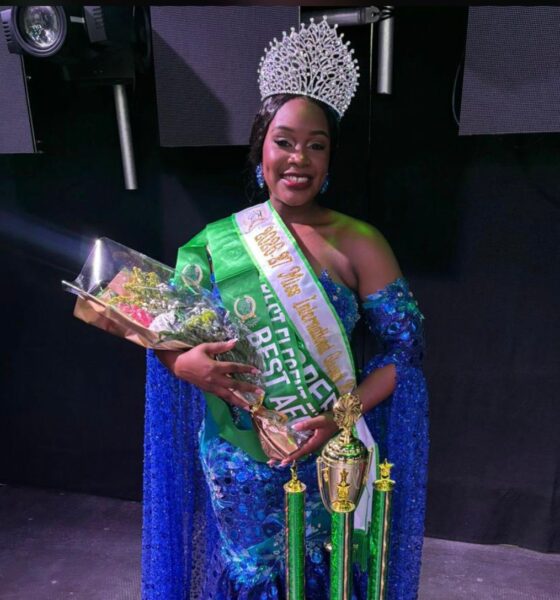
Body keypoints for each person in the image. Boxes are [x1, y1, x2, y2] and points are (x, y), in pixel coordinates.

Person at [142, 19, 428, 600]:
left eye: (316, 145)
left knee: (325, 571)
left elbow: (407, 354)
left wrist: (342, 417)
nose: (299, 158)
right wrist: (183, 365)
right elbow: (166, 332)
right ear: (261, 150)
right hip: (239, 458)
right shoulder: (218, 242)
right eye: (284, 141)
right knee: (251, 578)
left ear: (330, 158)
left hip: (328, 453)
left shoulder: (360, 243)